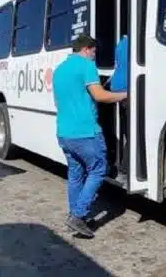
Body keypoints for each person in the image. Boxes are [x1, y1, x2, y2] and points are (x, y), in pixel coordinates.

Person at [52, 34, 127, 237]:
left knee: (75, 174)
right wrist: (125, 95)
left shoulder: (59, 70)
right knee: (98, 169)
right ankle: (78, 216)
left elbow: (58, 103)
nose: (95, 55)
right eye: (94, 51)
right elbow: (100, 95)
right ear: (86, 49)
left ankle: (75, 214)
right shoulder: (86, 66)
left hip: (64, 132)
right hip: (85, 132)